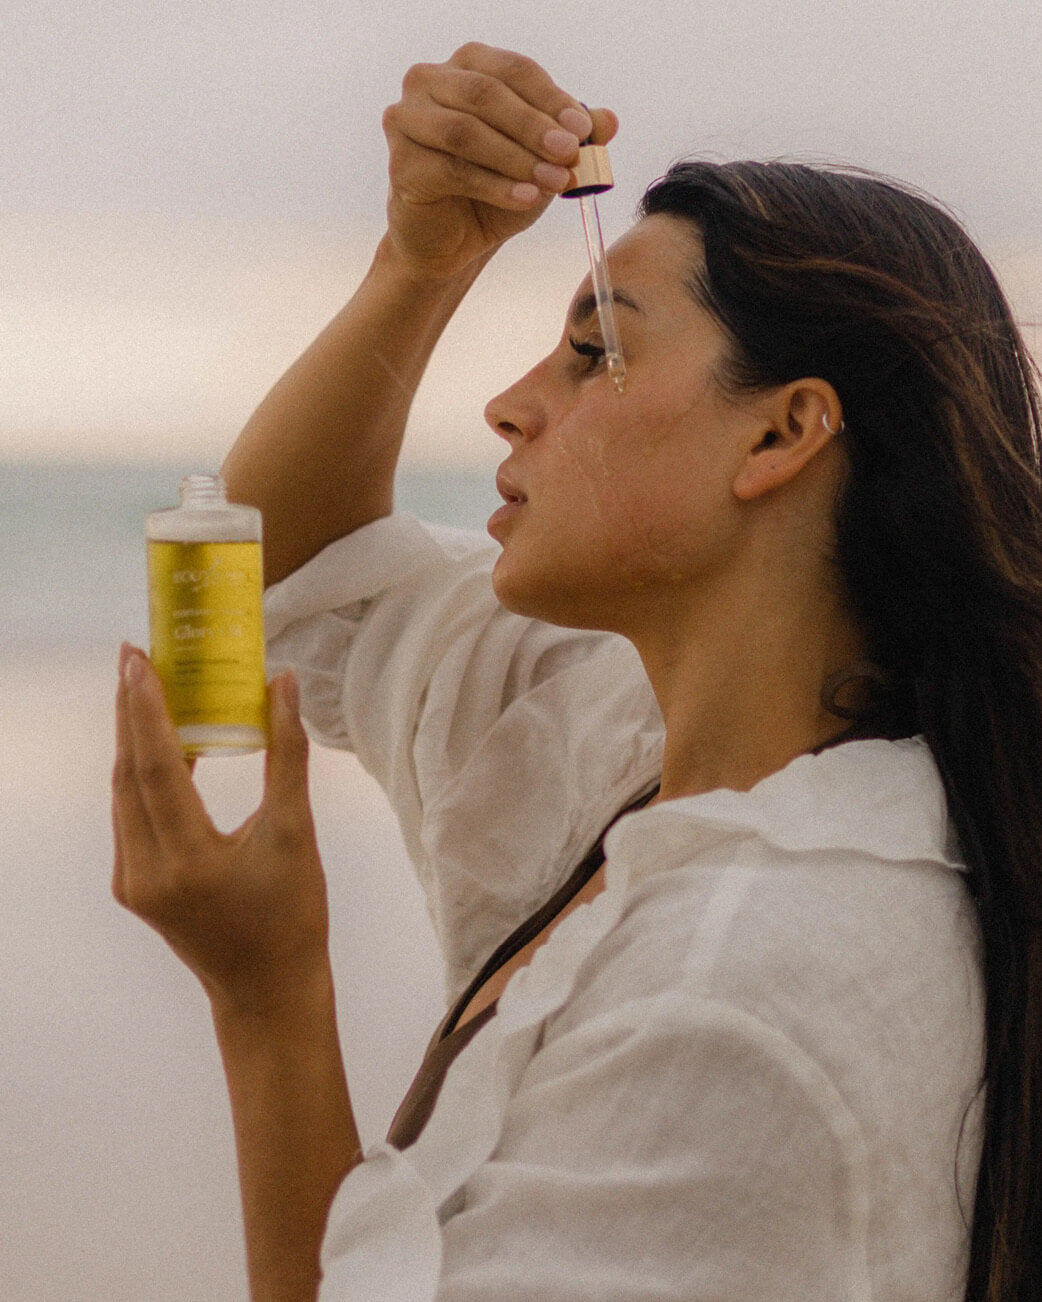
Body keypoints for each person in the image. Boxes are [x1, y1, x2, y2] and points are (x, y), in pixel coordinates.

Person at [111, 42, 1042, 1301]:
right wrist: (420, 260)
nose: (505, 402)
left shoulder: (735, 1000)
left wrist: (265, 998)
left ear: (781, 432)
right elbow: (285, 587)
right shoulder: (628, 738)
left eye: (594, 352)